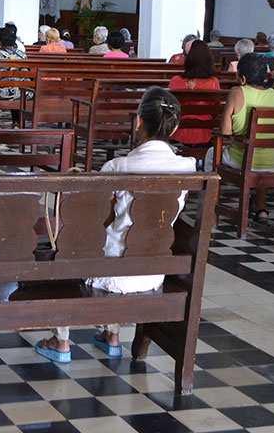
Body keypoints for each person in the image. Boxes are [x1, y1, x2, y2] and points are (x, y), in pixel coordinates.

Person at [34, 88, 196, 363]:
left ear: (138, 122)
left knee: (78, 240)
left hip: (111, 272)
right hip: (155, 271)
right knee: (123, 240)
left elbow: (100, 220)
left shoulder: (118, 166)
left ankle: (61, 342)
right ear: (175, 127)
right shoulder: (188, 167)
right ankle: (112, 337)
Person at [215, 53, 274, 221]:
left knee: (213, 153)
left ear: (243, 78)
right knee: (260, 153)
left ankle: (211, 203)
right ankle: (262, 209)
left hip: (245, 160)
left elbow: (225, 132)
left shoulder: (237, 92)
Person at [168, 40, 221, 147]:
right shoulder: (213, 82)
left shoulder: (176, 81)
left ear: (188, 60)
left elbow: (170, 108)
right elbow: (216, 109)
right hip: (205, 131)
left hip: (180, 130)